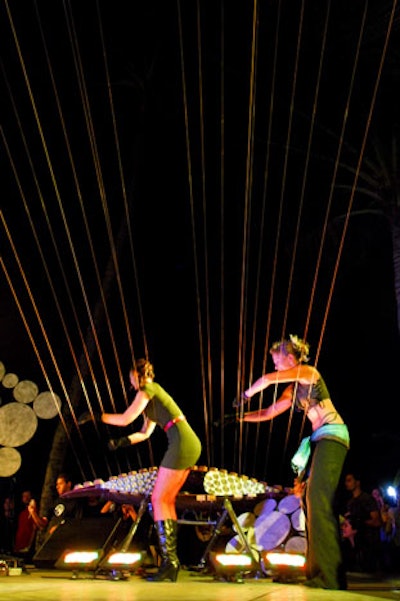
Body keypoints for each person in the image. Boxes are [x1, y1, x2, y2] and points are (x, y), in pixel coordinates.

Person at [240, 334, 350, 589]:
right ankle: (318, 573)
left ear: (291, 358)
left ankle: (329, 577)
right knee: (310, 503)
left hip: (334, 435)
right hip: (319, 439)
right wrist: (240, 417)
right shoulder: (293, 388)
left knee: (317, 501)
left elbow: (267, 380)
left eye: (277, 360)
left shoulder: (309, 373)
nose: (275, 366)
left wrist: (246, 395)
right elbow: (269, 412)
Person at [101, 358, 202, 582]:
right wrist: (121, 443)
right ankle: (171, 563)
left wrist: (99, 417)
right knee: (164, 500)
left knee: (158, 499)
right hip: (186, 441)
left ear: (137, 376)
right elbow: (144, 433)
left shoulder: (147, 388)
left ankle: (170, 562)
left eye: (131, 380)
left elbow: (126, 418)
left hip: (182, 443)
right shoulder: (151, 396)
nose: (131, 384)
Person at [343, 473, 382, 573]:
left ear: (357, 482)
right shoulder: (350, 502)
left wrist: (360, 522)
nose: (346, 483)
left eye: (349, 480)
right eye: (346, 481)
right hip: (356, 544)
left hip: (368, 543)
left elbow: (376, 521)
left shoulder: (367, 499)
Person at [28, 473, 83, 538]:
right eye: (57, 484)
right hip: (50, 541)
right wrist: (33, 513)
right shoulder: (55, 502)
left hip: (65, 541)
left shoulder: (75, 502)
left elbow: (77, 525)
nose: (57, 486)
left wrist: (60, 528)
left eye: (60, 484)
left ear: (68, 484)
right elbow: (43, 524)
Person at [13, 490, 37, 560]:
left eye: (27, 496)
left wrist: (29, 546)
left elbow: (34, 529)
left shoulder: (34, 513)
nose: (25, 498)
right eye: (24, 496)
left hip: (27, 548)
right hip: (19, 546)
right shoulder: (22, 514)